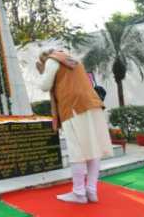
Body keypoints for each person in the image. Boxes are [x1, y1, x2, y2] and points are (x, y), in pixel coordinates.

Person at [36, 49, 113, 203]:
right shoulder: (73, 59)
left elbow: (45, 86)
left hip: (73, 107)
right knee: (93, 148)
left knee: (76, 150)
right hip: (92, 103)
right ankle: (91, 190)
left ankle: (79, 193)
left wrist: (42, 72)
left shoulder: (52, 60)